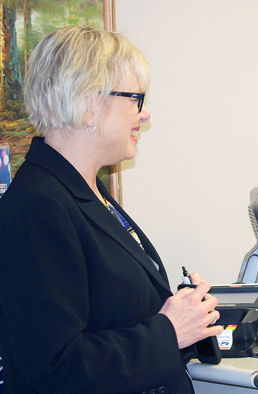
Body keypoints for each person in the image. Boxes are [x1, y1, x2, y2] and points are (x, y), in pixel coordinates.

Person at [0, 27, 223, 393]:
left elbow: (116, 317)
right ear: (89, 105)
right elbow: (56, 367)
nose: (146, 113)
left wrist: (188, 319)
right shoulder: (37, 207)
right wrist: (168, 331)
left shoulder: (84, 190)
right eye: (136, 98)